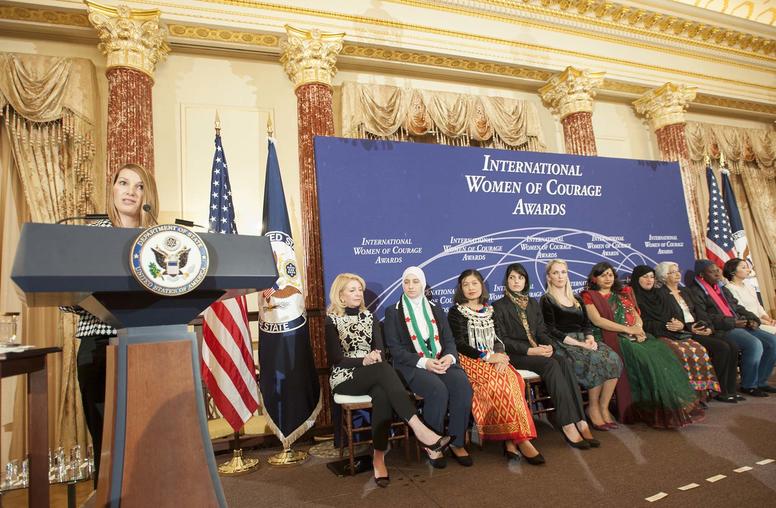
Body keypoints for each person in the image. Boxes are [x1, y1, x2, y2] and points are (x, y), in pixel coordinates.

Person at [60, 163, 159, 485]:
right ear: (112, 189)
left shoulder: (159, 240)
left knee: (148, 439)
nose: (130, 191)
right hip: (99, 348)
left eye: (139, 185)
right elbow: (63, 296)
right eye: (123, 183)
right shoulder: (91, 237)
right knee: (107, 442)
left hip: (151, 347)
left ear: (148, 196)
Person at [326, 273, 451, 487]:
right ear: (340, 295)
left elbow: (381, 351)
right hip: (346, 375)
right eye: (352, 290)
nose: (358, 294)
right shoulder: (332, 320)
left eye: (360, 289)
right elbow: (336, 359)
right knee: (383, 370)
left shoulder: (370, 317)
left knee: (383, 393)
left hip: (375, 372)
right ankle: (419, 429)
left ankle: (379, 457)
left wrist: (374, 357)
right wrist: (364, 360)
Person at [581, 262, 701, 429]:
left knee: (661, 351)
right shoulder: (589, 296)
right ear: (595, 278)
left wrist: (639, 329)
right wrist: (628, 329)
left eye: (610, 274)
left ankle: (669, 405)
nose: (607, 278)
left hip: (632, 333)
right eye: (603, 275)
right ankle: (644, 407)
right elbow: (597, 320)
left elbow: (636, 315)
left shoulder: (623, 293)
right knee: (643, 357)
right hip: (608, 336)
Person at [492, 263, 598, 449]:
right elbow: (502, 339)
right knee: (551, 365)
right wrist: (531, 350)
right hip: (516, 354)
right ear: (506, 281)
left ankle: (580, 420)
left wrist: (548, 346)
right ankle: (567, 424)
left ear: (526, 281)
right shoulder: (498, 306)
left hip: (538, 350)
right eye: (512, 278)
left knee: (562, 360)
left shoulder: (532, 303)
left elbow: (541, 331)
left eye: (520, 277)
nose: (516, 281)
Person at [447, 269, 544, 465]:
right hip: (470, 359)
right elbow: (459, 343)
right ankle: (519, 440)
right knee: (496, 383)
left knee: (512, 379)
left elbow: (498, 338)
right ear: (460, 289)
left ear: (481, 285)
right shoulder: (456, 312)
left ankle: (512, 440)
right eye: (466, 284)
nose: (471, 288)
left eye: (474, 283)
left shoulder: (489, 310)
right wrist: (486, 356)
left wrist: (500, 356)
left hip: (495, 357)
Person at [384, 266, 473, 468]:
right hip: (410, 365)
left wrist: (449, 357)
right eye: (407, 282)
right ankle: (433, 444)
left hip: (439, 360)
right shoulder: (393, 312)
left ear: (423, 285)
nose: (410, 286)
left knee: (461, 385)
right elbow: (395, 350)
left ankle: (457, 442)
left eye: (415, 282)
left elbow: (449, 340)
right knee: (437, 389)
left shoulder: (436, 309)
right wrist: (425, 362)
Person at [540, 260, 622, 431]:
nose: (560, 276)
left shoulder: (577, 298)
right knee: (594, 360)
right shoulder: (546, 299)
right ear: (549, 277)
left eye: (563, 272)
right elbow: (551, 330)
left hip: (584, 340)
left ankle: (603, 407)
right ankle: (592, 407)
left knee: (613, 358)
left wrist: (590, 338)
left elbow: (586, 324)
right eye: (555, 273)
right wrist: (579, 344)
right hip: (564, 343)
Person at [631, 265, 720, 403]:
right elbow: (642, 323)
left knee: (698, 349)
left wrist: (679, 324)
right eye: (645, 277)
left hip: (674, 331)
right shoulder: (633, 297)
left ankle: (700, 395)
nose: (649, 280)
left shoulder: (659, 294)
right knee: (681, 353)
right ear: (637, 279)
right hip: (654, 334)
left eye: (652, 277)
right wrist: (666, 326)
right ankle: (684, 397)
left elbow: (672, 315)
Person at [686, 259, 776, 397]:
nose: (717, 274)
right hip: (723, 329)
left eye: (718, 270)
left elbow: (736, 306)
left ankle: (761, 381)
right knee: (754, 344)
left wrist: (753, 319)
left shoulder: (721, 288)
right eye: (712, 271)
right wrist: (733, 323)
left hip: (738, 323)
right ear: (702, 275)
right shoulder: (695, 292)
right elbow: (705, 316)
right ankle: (749, 385)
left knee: (772, 341)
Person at [654, 261, 740, 403]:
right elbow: (667, 318)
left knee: (733, 346)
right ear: (663, 276)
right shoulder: (660, 294)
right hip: (684, 331)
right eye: (672, 272)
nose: (677, 274)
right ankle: (720, 390)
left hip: (698, 327)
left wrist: (708, 327)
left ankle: (731, 389)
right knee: (722, 348)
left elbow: (700, 312)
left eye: (678, 271)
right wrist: (688, 328)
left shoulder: (685, 291)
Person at [723, 258, 776, 334]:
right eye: (744, 267)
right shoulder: (729, 288)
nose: (748, 270)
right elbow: (741, 311)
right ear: (732, 272)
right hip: (750, 323)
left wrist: (767, 318)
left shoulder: (749, 286)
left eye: (747, 267)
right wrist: (762, 321)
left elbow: (758, 306)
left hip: (762, 321)